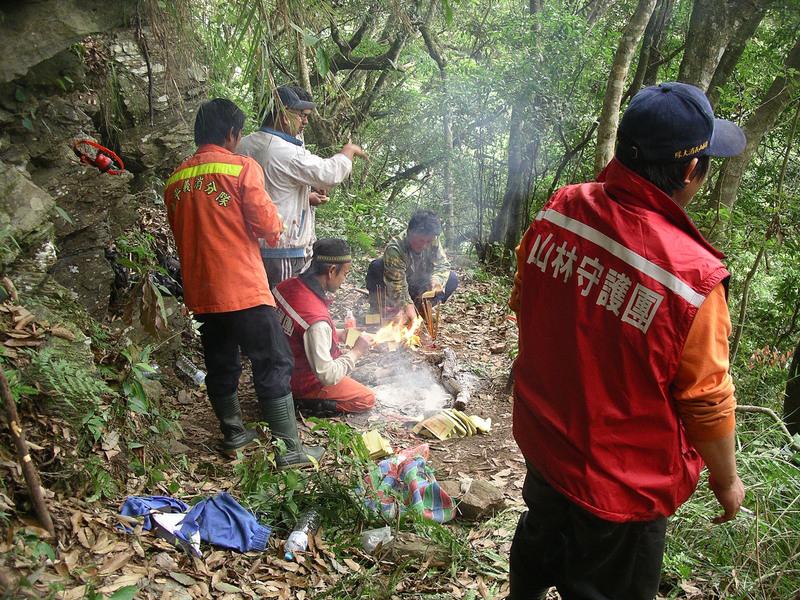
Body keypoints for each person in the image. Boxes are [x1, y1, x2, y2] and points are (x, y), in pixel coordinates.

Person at [507, 82, 747, 599]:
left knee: (539, 539)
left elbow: (524, 298)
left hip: (544, 442)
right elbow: (706, 399)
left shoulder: (561, 209)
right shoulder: (692, 279)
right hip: (621, 485)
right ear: (691, 169)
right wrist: (727, 481)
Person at [164, 98, 324, 468]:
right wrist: (280, 222)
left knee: (221, 362)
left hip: (202, 293)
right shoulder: (241, 168)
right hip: (243, 288)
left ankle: (234, 433)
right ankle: (290, 450)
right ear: (233, 134)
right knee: (274, 360)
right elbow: (268, 226)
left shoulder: (175, 180)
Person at [237, 85, 367, 287]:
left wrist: (306, 198)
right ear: (283, 115)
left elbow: (268, 193)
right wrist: (348, 151)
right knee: (283, 301)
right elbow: (329, 174)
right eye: (302, 115)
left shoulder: (244, 144)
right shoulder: (285, 151)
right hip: (282, 250)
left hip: (250, 247)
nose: (305, 121)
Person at [273, 238, 376, 415]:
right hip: (299, 382)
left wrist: (339, 334)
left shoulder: (286, 286)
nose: (344, 279)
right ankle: (306, 402)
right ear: (331, 270)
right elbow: (327, 375)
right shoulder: (316, 319)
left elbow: (300, 330)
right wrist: (357, 351)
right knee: (366, 398)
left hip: (277, 367)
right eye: (345, 273)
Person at [366, 210, 459, 324]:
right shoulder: (396, 248)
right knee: (377, 266)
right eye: (420, 240)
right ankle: (383, 312)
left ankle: (421, 309)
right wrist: (406, 304)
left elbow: (442, 265)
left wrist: (436, 281)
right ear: (410, 232)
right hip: (396, 287)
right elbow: (398, 285)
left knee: (452, 278)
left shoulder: (433, 240)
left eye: (428, 241)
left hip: (419, 285)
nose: (424, 245)